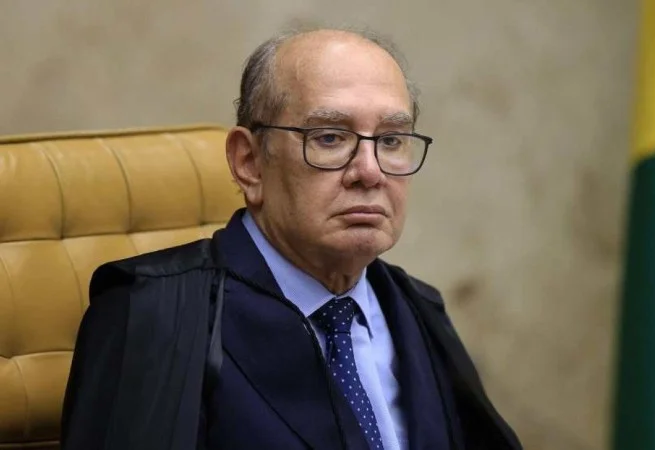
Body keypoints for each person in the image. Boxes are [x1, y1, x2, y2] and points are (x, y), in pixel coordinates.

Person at [61, 28, 522, 450]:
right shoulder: (153, 312)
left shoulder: (419, 310)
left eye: (390, 140)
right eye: (330, 138)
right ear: (249, 162)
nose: (370, 172)